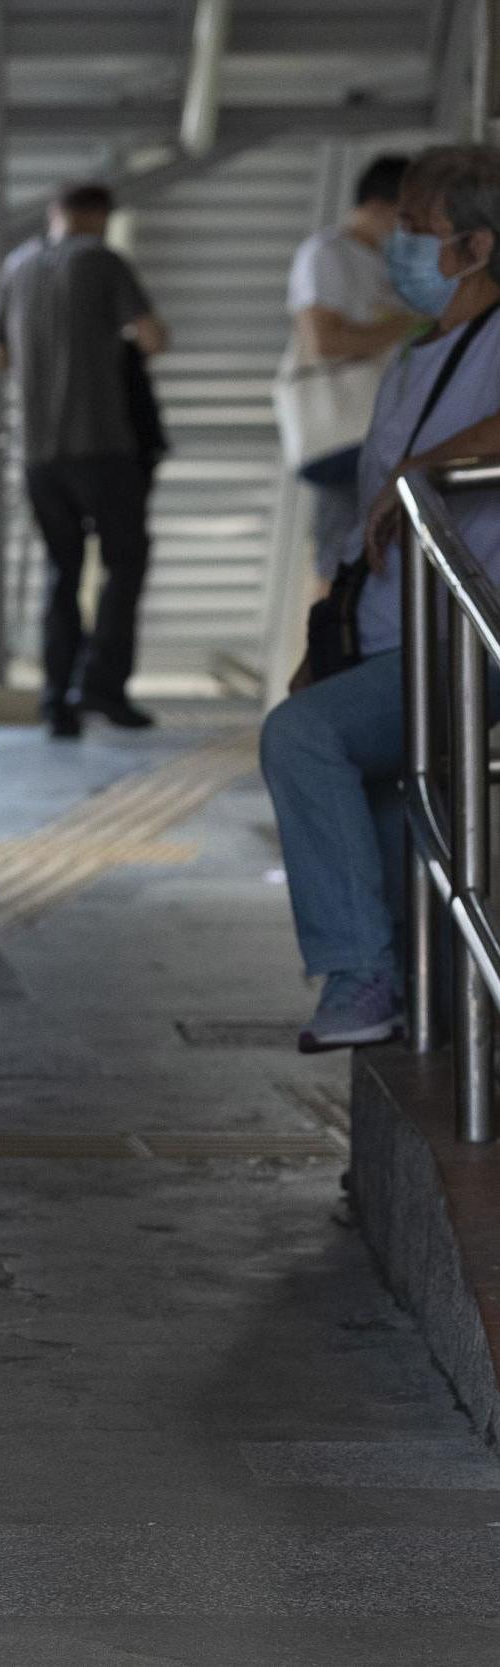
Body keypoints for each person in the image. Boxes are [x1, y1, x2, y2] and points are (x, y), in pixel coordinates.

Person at [262, 144, 500, 1052]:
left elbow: (424, 471)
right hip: (388, 634)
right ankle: (417, 995)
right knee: (380, 793)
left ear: (474, 247)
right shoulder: (415, 355)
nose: (398, 248)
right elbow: (371, 518)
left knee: (305, 738)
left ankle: (362, 974)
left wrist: (437, 462)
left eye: (417, 230)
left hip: (460, 643)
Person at [0, 180, 171, 738]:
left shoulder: (16, 267)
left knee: (61, 571)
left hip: (40, 454)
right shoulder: (103, 261)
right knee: (124, 562)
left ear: (53, 213)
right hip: (105, 447)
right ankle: (103, 687)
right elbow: (154, 338)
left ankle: (54, 700)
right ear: (98, 216)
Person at [286, 154, 423, 575]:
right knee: (343, 555)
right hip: (347, 434)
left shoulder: (385, 261)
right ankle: (331, 639)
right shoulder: (327, 254)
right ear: (382, 205)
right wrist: (404, 328)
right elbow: (324, 341)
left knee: (385, 550)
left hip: (382, 429)